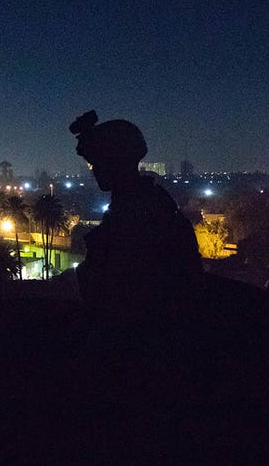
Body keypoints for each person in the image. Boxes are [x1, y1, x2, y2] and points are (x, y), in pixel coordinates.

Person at [68, 110, 202, 317]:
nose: (93, 170)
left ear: (115, 160)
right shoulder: (146, 200)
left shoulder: (139, 210)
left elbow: (115, 281)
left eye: (96, 163)